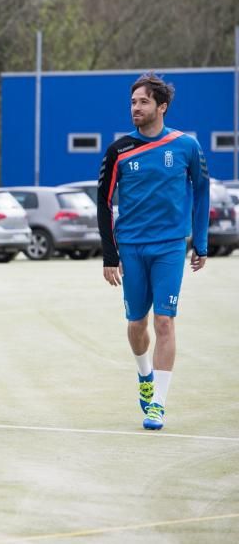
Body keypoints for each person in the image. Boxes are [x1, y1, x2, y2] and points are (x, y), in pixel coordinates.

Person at [97, 72, 209, 431]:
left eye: (143, 101)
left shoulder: (186, 146)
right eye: (133, 102)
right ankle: (144, 374)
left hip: (170, 247)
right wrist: (109, 255)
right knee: (136, 324)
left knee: (164, 321)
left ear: (162, 106)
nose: (136, 108)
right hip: (130, 247)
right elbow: (103, 202)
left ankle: (157, 405)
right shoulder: (119, 150)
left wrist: (201, 243)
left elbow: (202, 192)